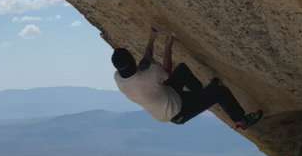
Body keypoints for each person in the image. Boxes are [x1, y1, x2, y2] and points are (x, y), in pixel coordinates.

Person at [110, 26, 263, 130]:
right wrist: (169, 44)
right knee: (219, 91)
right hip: (178, 112)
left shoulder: (120, 78)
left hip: (168, 97)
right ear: (131, 61)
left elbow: (145, 61)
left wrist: (153, 36)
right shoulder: (146, 78)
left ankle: (201, 94)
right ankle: (241, 121)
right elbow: (165, 69)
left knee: (182, 70)